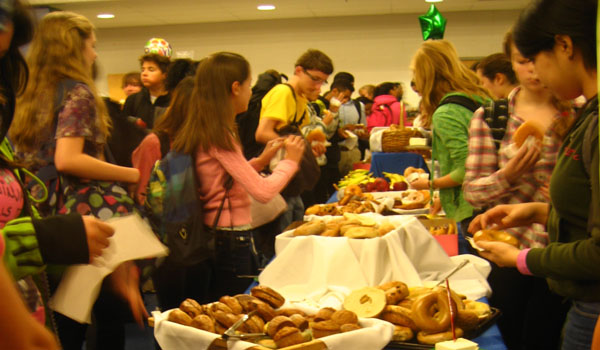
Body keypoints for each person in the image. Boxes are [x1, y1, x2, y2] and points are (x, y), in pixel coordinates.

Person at [468, 0, 599, 348]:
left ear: (564, 47)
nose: (535, 72)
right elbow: (474, 191)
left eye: (535, 59)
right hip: (528, 255)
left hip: (571, 271)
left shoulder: (586, 116)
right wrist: (521, 191)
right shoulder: (492, 117)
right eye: (522, 62)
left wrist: (525, 255)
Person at [9, 11, 144, 350]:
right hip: (79, 221)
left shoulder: (24, 94)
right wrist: (130, 173)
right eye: (92, 46)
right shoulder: (79, 93)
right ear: (74, 48)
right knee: (104, 316)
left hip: (38, 219)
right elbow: (69, 159)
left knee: (59, 319)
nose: (95, 55)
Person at [180, 52, 303, 298]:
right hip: (229, 239)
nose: (251, 92)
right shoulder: (219, 134)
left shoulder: (206, 127)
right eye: (249, 85)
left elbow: (219, 177)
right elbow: (264, 192)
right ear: (235, 87)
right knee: (232, 315)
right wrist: (291, 162)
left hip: (220, 236)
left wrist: (259, 162)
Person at [409, 40, 492, 232]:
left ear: (426, 76)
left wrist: (430, 184)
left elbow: (466, 170)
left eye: (415, 73)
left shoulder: (446, 113)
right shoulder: (478, 97)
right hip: (491, 201)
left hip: (470, 208)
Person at [255, 49, 332, 232]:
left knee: (296, 225)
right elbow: (262, 133)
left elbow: (295, 137)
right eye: (314, 78)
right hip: (275, 176)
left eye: (322, 81)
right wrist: (297, 150)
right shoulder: (283, 92)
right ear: (299, 71)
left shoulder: (300, 99)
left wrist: (308, 150)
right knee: (283, 233)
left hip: (289, 179)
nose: (318, 85)